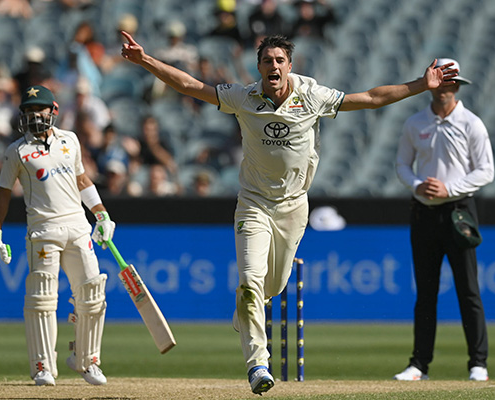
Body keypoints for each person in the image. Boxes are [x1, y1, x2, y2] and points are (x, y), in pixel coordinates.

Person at [120, 31, 458, 394]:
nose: (274, 66)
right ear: (259, 67)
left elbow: (372, 98)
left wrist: (422, 85)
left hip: (295, 207)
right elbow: (189, 84)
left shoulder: (312, 95)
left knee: (274, 285)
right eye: (268, 61)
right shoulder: (242, 96)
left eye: (280, 60)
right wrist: (145, 60)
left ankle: (248, 304)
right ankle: (257, 365)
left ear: (290, 66)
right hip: (253, 203)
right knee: (250, 281)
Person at [0, 85, 116, 386]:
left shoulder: (71, 140)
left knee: (92, 294)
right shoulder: (17, 151)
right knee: (42, 297)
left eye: (38, 110)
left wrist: (101, 214)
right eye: (27, 111)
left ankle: (87, 360)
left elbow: (81, 179)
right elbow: (3, 193)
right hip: (42, 231)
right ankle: (43, 365)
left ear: (52, 110)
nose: (33, 115)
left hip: (78, 228)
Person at [393, 58, 494, 382]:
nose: (444, 88)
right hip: (423, 212)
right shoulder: (415, 123)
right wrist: (416, 184)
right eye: (440, 82)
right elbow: (402, 165)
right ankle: (419, 364)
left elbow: (485, 170)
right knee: (425, 292)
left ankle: (478, 363)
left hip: (458, 213)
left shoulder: (471, 124)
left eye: (450, 83)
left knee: (468, 290)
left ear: (457, 86)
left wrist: (449, 188)